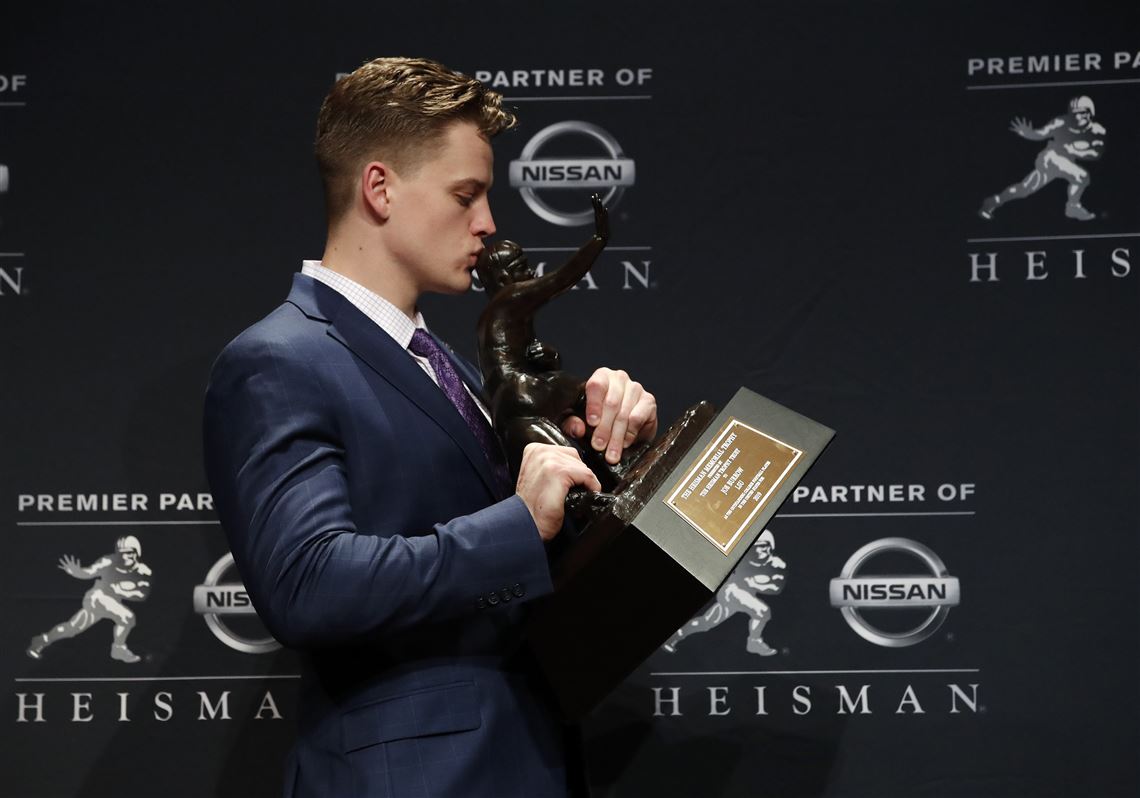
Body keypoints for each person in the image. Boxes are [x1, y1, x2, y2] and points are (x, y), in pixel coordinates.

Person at [202, 57, 657, 797]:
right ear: (379, 188)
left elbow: (510, 554)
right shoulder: (277, 360)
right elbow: (307, 585)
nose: (488, 223)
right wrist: (519, 522)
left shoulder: (439, 361)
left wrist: (605, 455)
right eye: (466, 195)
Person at [978, 95, 1106, 221]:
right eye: (1075, 113)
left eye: (1082, 112)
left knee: (1024, 189)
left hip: (1066, 162)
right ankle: (1072, 207)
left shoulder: (1097, 131)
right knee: (1082, 176)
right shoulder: (1061, 122)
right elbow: (1042, 133)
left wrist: (1075, 151)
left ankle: (994, 201)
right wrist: (1029, 133)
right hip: (1051, 157)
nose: (1078, 117)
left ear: (1090, 113)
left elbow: (1096, 154)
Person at [27, 535, 152, 663]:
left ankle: (42, 640)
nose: (125, 556)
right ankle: (118, 649)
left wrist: (122, 591)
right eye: (122, 553)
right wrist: (77, 572)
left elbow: (142, 595)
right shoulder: (108, 561)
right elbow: (89, 572)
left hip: (111, 602)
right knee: (127, 617)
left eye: (130, 553)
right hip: (97, 597)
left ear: (137, 552)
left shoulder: (143, 571)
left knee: (71, 628)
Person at [662, 529, 786, 656]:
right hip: (731, 590)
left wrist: (755, 584)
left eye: (764, 546)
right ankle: (754, 642)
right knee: (762, 611)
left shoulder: (776, 565)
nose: (760, 550)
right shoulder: (742, 558)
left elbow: (777, 588)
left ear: (770, 547)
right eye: (757, 547)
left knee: (706, 622)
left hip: (745, 594)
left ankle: (675, 636)